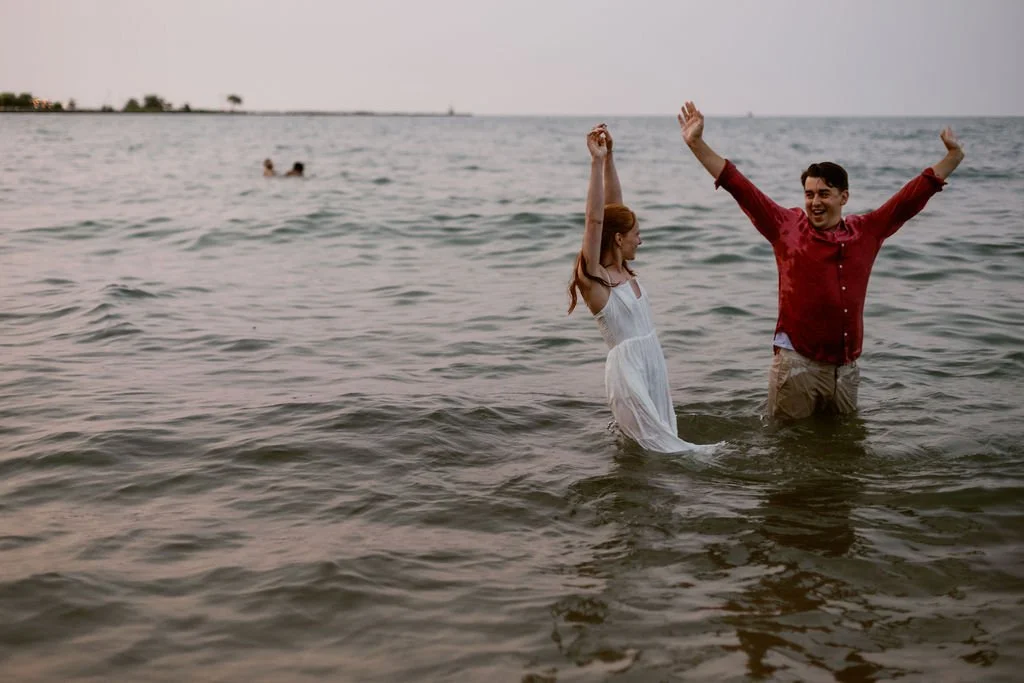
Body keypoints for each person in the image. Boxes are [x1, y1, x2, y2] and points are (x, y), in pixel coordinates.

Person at [677, 100, 965, 420]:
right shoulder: (786, 227)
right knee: (788, 446)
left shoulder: (866, 231)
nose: (815, 201)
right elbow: (739, 186)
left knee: (845, 446)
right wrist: (696, 143)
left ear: (844, 197)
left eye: (824, 194)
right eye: (809, 194)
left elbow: (909, 199)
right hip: (797, 364)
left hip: (845, 370)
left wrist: (952, 158)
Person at [569, 124, 714, 454]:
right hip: (628, 374)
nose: (641, 240)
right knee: (663, 452)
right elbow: (595, 220)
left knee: (660, 451)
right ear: (619, 239)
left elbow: (613, 210)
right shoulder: (596, 280)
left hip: (651, 363)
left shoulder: (622, 271)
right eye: (636, 234)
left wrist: (610, 158)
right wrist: (595, 162)